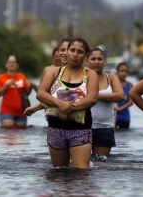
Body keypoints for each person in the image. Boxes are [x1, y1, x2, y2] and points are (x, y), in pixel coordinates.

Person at [37, 38, 99, 169]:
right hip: (55, 128)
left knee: (81, 173)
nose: (75, 54)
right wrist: (59, 104)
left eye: (80, 52)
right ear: (66, 52)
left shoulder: (90, 74)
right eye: (72, 50)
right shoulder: (53, 72)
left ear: (86, 56)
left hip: (80, 129)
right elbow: (41, 93)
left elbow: (92, 99)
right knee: (59, 172)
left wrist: (71, 107)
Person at [87, 48, 124, 159]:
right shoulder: (81, 77)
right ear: (87, 60)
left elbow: (120, 96)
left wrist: (95, 96)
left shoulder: (111, 77)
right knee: (82, 165)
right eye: (93, 59)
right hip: (83, 128)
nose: (96, 62)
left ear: (104, 61)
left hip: (105, 128)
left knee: (102, 165)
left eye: (100, 59)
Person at [24, 38, 70, 116]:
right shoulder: (49, 70)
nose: (64, 54)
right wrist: (35, 107)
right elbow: (41, 93)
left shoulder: (83, 73)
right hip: (53, 116)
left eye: (68, 50)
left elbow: (77, 99)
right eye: (62, 50)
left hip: (74, 121)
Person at [0, 55, 32, 129]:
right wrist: (6, 85)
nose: (11, 64)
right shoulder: (1, 77)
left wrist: (30, 88)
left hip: (21, 112)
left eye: (14, 62)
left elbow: (26, 94)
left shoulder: (22, 76)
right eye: (9, 62)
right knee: (8, 130)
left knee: (21, 132)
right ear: (6, 64)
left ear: (17, 65)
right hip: (6, 111)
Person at [114, 62, 134, 129]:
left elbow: (131, 102)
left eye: (125, 71)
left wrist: (120, 109)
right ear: (117, 72)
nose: (124, 73)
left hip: (125, 117)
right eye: (121, 71)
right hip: (113, 116)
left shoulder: (130, 85)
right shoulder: (113, 84)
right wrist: (115, 106)